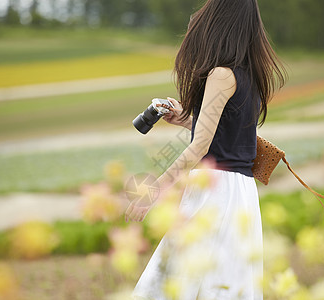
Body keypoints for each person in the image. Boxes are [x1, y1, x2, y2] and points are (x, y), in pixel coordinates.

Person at [125, 0, 286, 298]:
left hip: (214, 192)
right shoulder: (248, 75)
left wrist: (154, 190)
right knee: (224, 285)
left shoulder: (221, 75)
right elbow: (226, 136)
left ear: (218, 22)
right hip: (240, 194)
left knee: (168, 283)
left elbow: (201, 145)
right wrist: (188, 119)